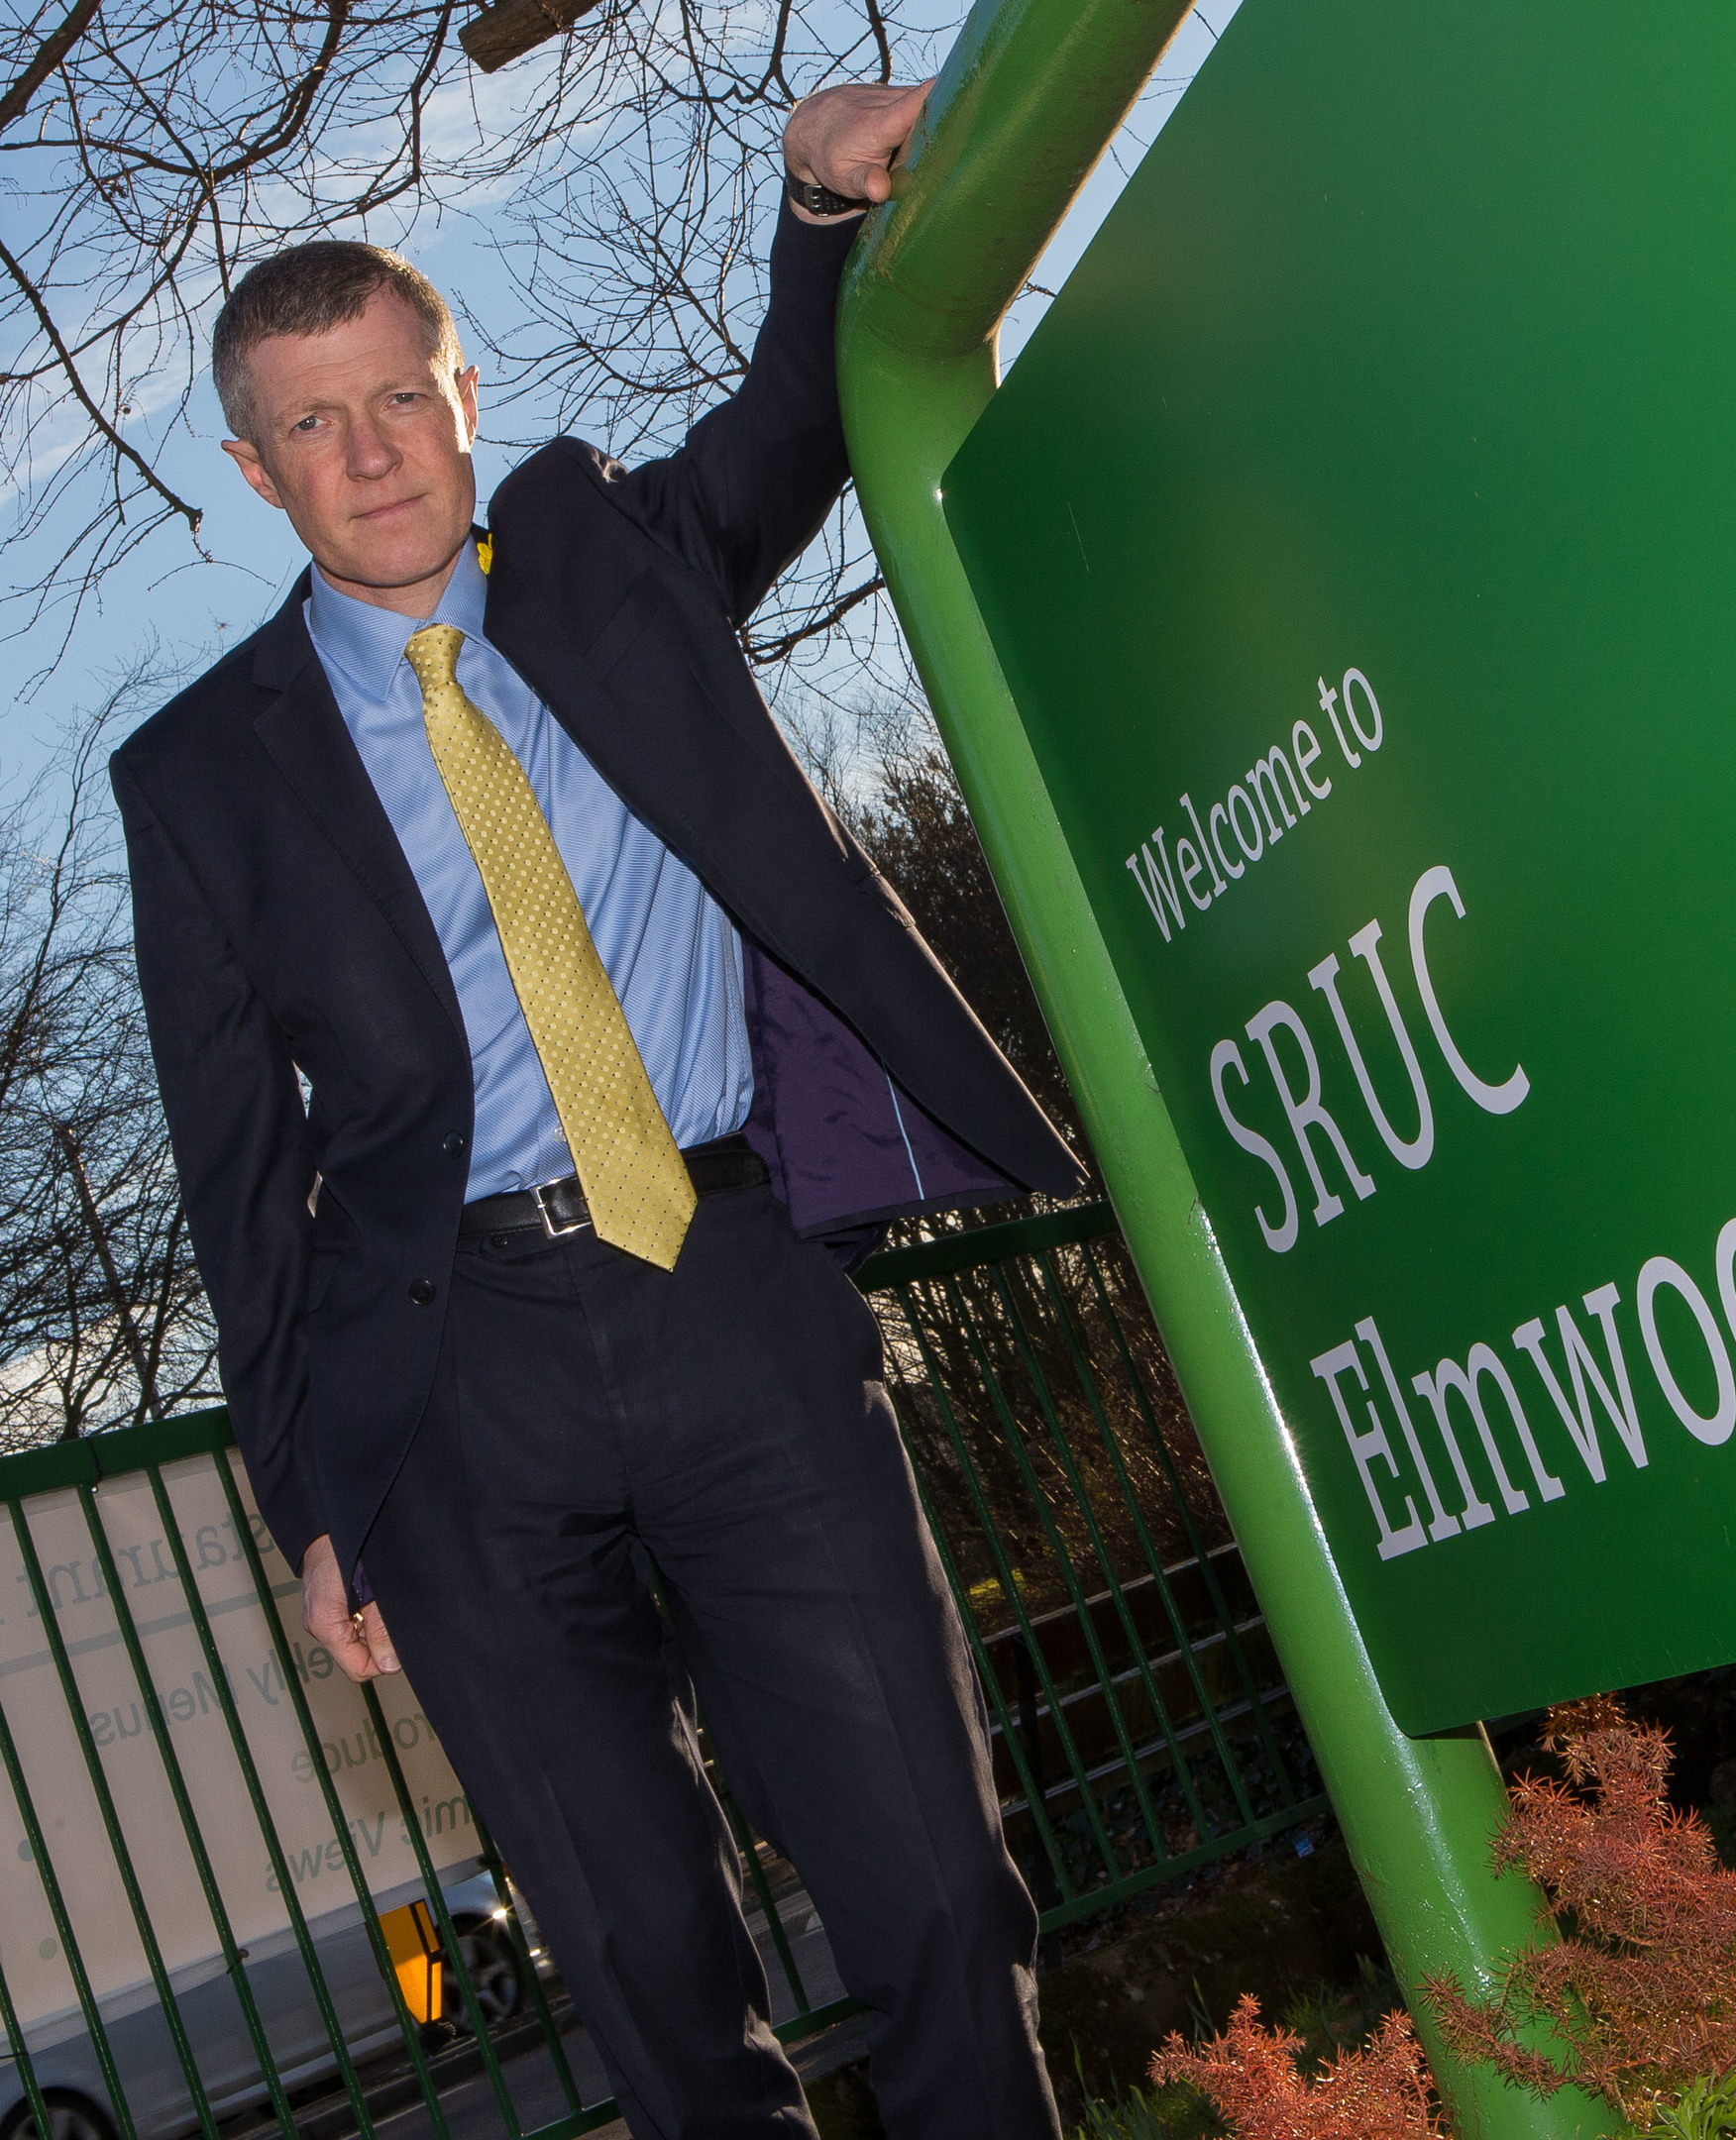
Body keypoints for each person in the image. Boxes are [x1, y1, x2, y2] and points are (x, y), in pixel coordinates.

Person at [111, 80, 1082, 2138]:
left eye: (397, 397)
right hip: (455, 1394)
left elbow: (792, 423)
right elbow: (235, 1168)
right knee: (644, 1968)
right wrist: (312, 1500)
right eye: (312, 423)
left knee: (927, 1874)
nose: (366, 454)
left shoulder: (619, 556)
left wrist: (818, 201)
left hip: (735, 1293)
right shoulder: (197, 777)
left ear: (465, 393)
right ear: (252, 465)